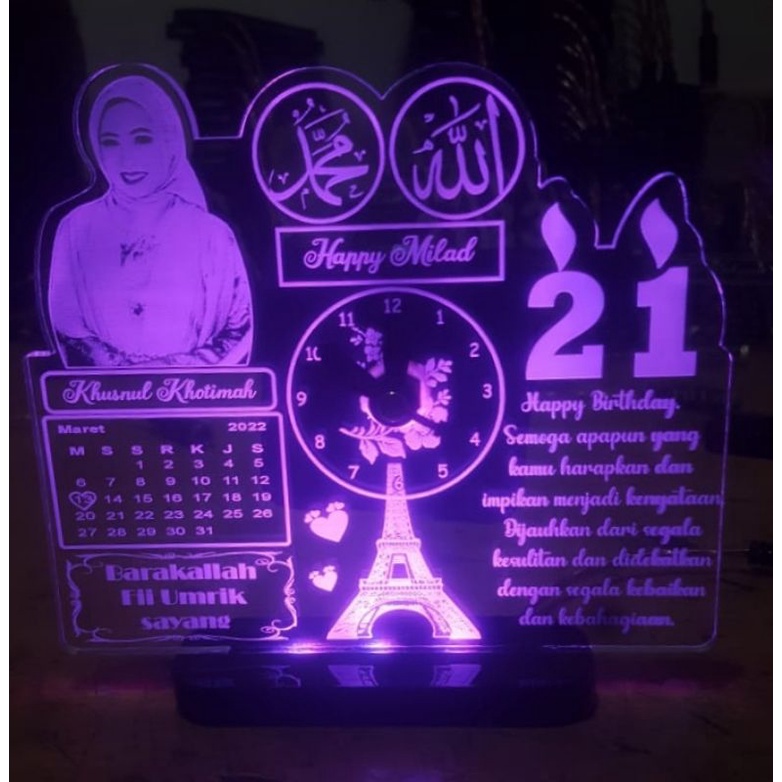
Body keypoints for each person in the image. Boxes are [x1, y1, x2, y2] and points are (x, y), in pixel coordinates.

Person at [48, 74, 253, 367]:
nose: (126, 159)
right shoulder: (76, 228)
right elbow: (65, 324)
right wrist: (118, 370)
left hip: (193, 390)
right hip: (104, 391)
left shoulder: (213, 234)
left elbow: (239, 329)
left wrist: (173, 371)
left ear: (170, 142)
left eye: (142, 139)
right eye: (110, 142)